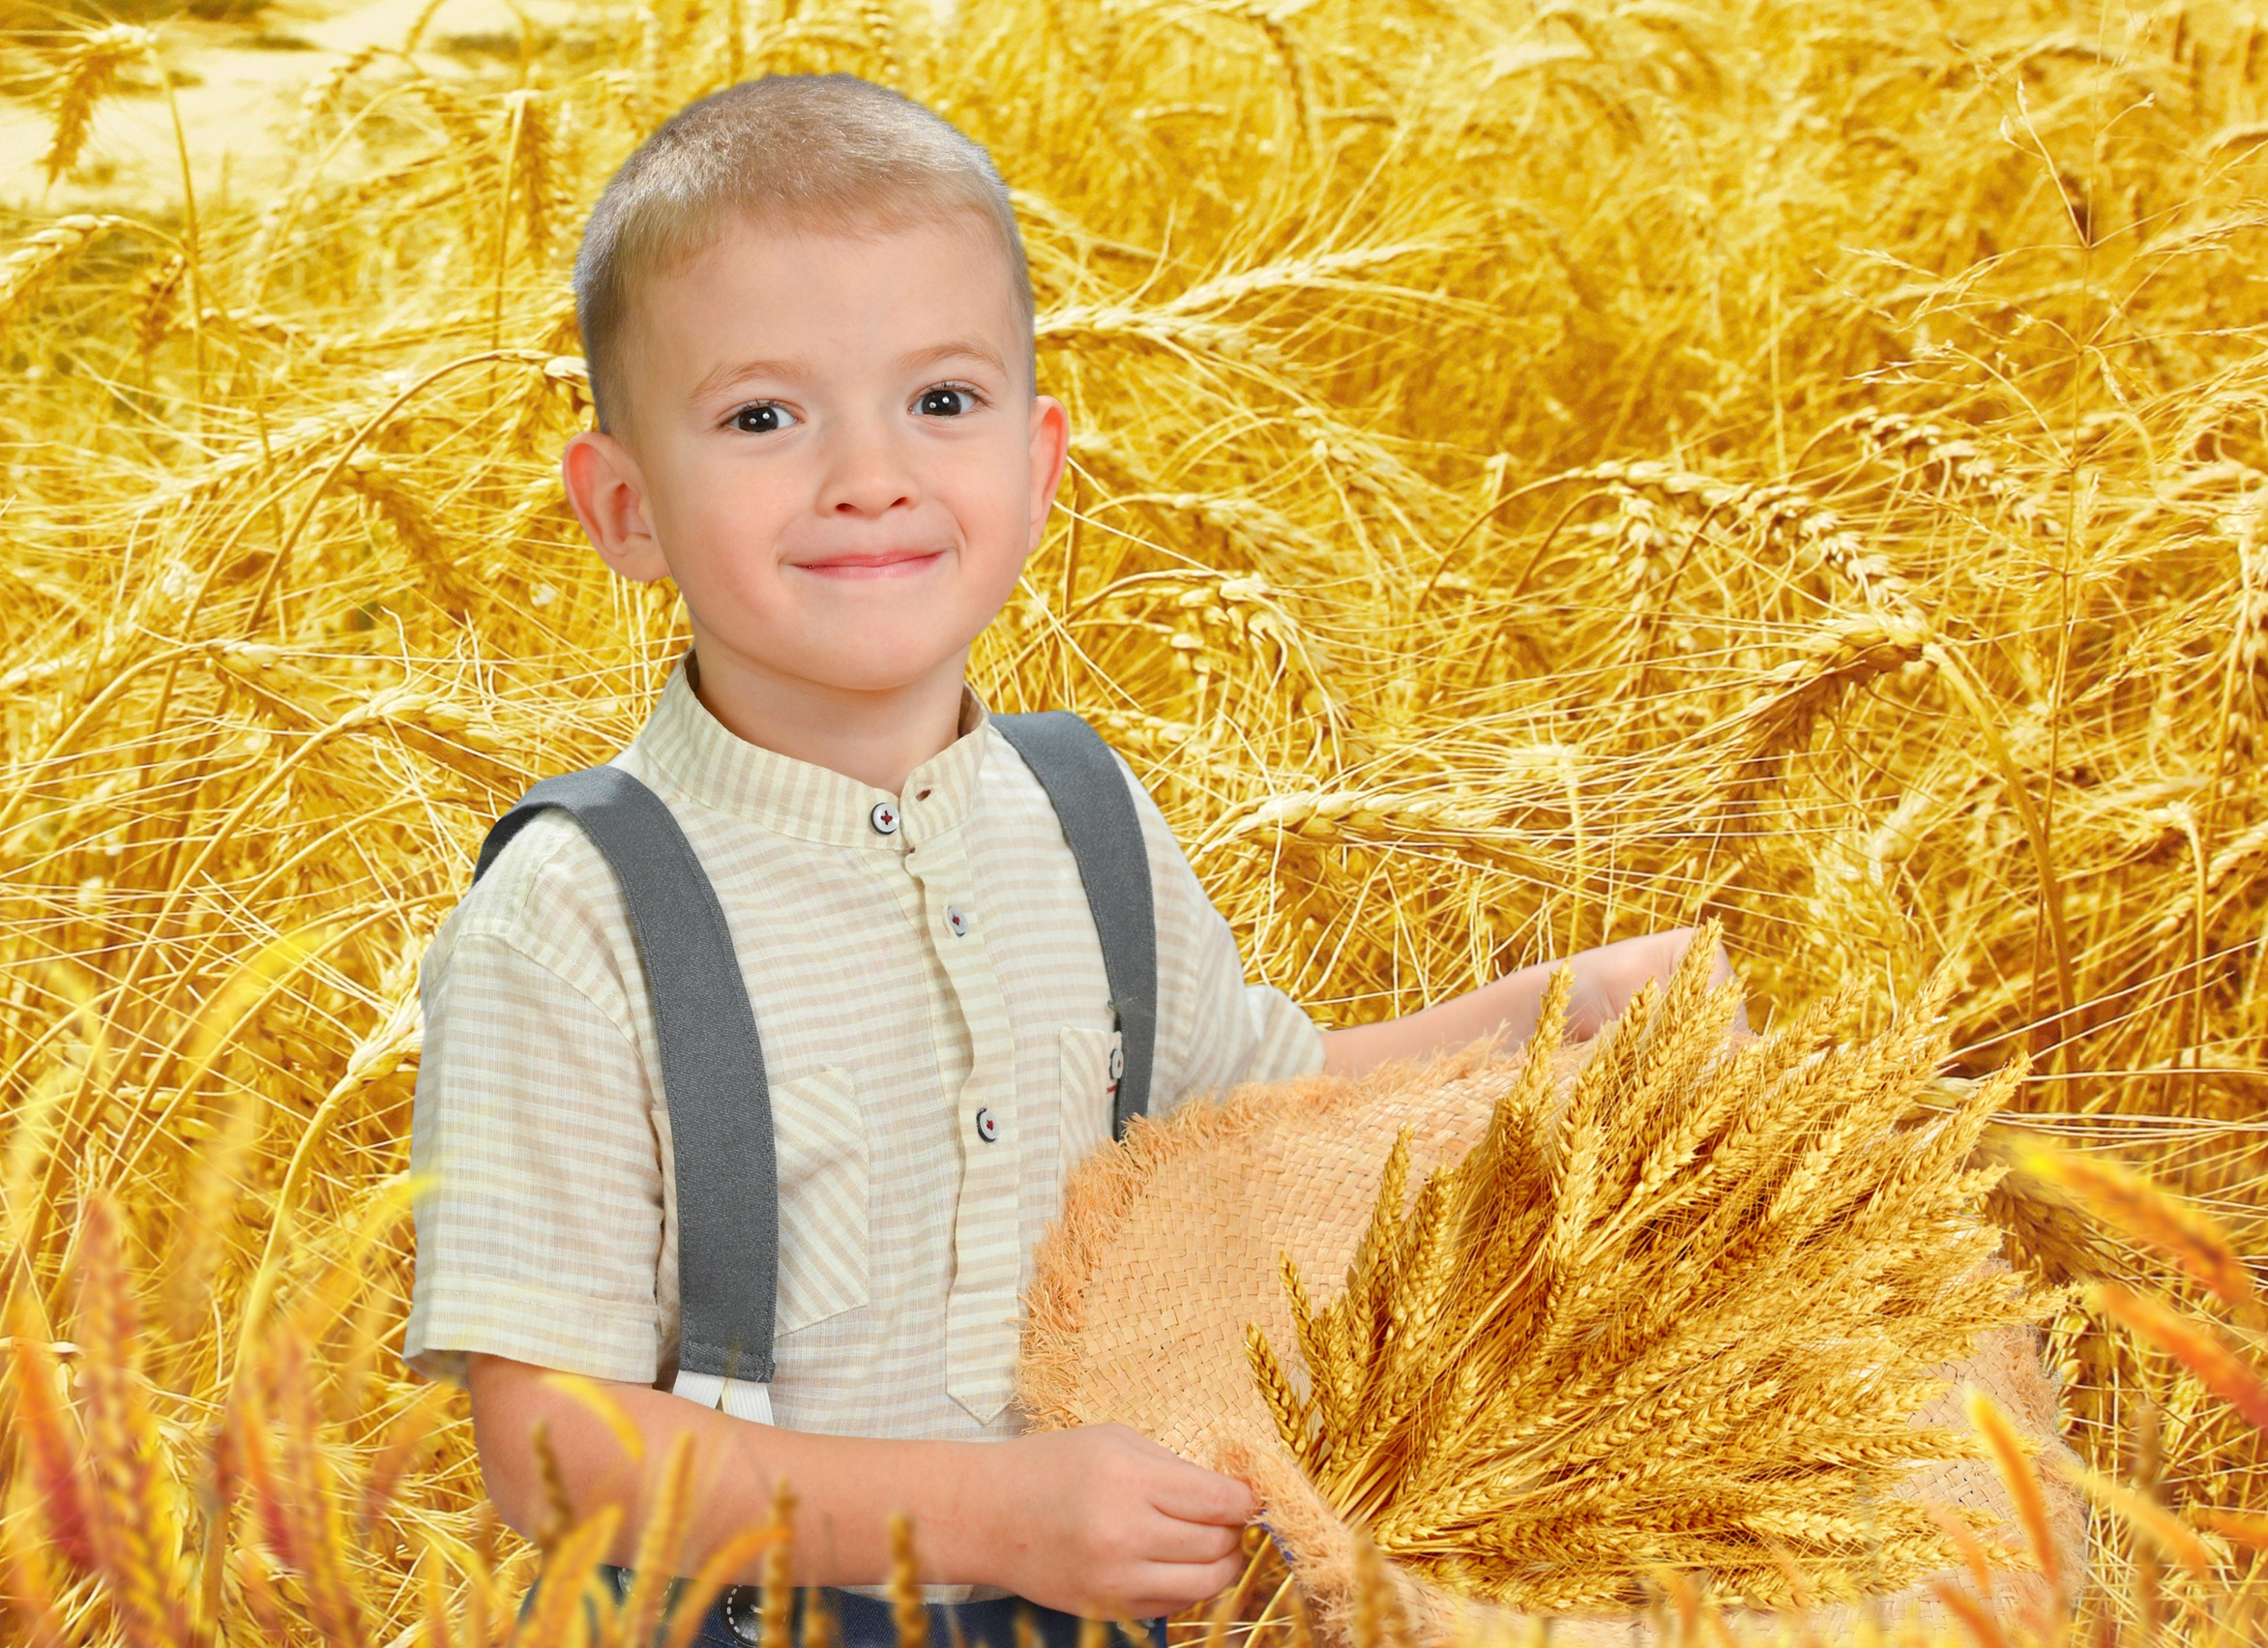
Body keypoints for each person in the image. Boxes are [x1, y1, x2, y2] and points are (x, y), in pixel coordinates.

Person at [401, 72, 1739, 1648]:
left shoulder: (1083, 819)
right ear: (624, 505)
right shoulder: (573, 918)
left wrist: (1541, 1017)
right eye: (764, 416)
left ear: (1039, 467)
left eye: (941, 402)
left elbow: (1258, 1113)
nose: (868, 476)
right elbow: (549, 1444)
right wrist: (989, 1518)